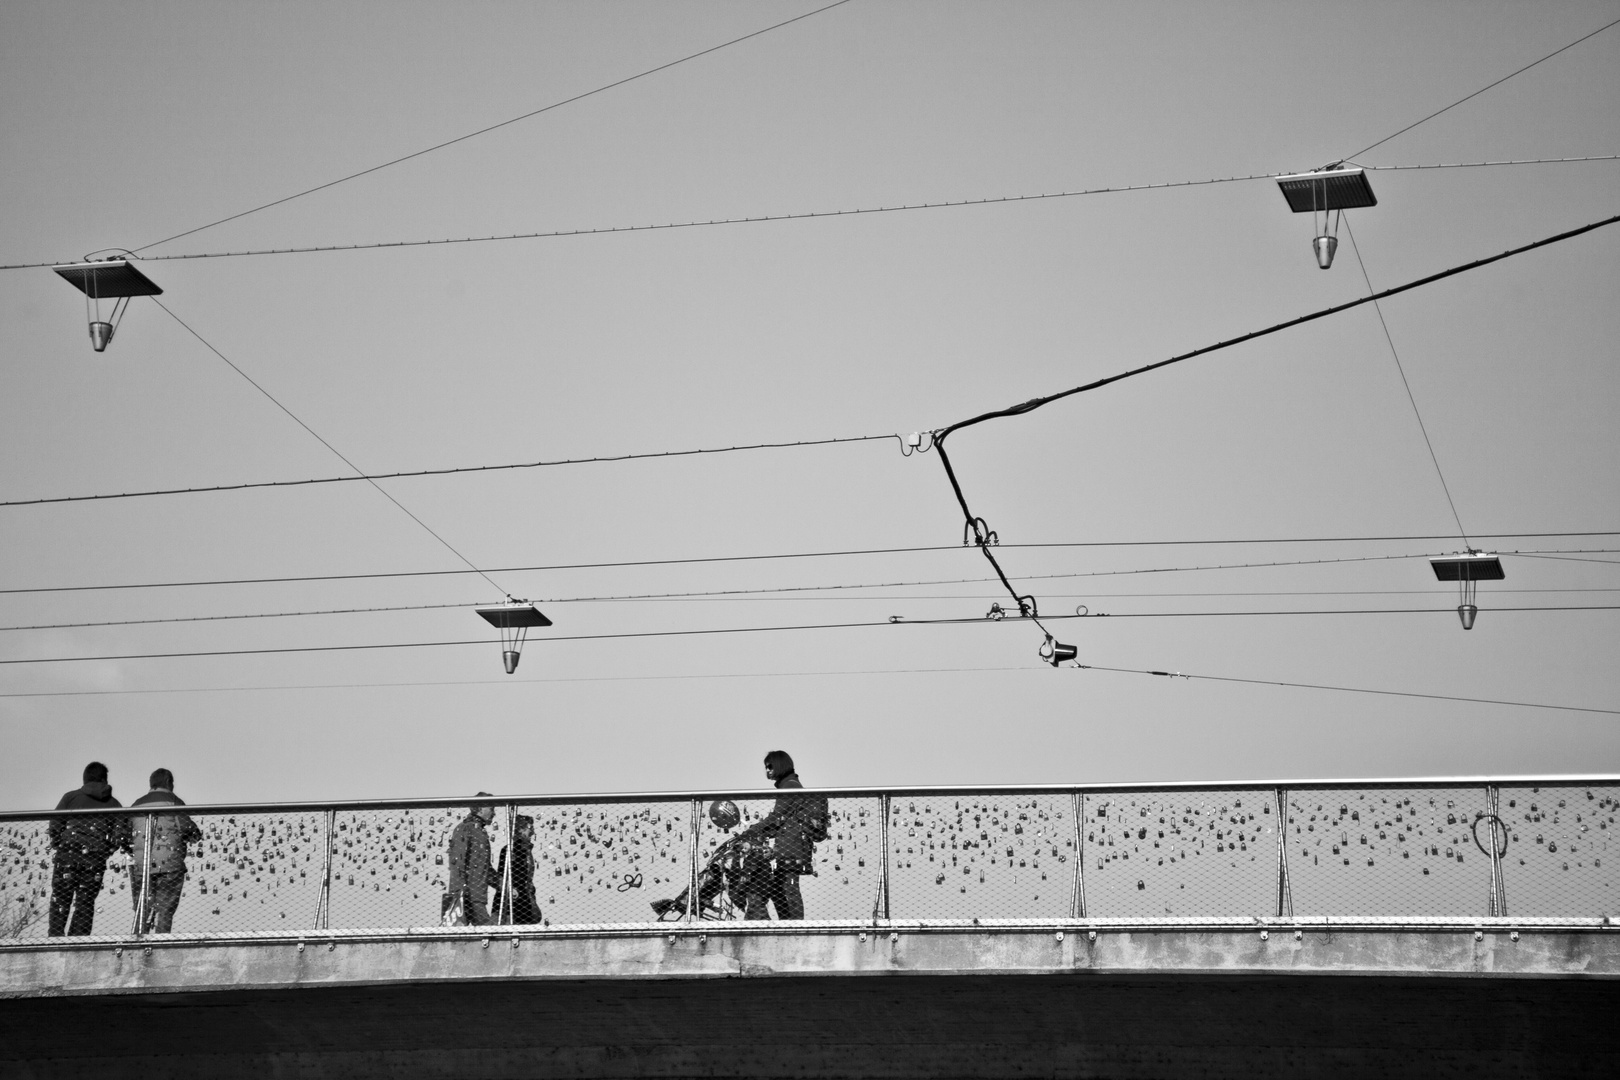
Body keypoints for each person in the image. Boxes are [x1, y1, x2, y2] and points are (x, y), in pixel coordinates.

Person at [735, 751, 828, 920]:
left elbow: (775, 818)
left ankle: (796, 925)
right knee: (778, 886)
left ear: (780, 765)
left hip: (792, 845)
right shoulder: (788, 785)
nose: (767, 770)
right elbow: (779, 821)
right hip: (790, 843)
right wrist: (757, 831)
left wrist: (751, 831)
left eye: (770, 766)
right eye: (766, 767)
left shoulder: (790, 786)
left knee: (789, 887)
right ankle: (787, 922)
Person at [46, 761, 131, 936]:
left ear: (85, 778)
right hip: (94, 858)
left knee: (61, 898)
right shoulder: (114, 804)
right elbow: (119, 835)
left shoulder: (70, 797)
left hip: (68, 853)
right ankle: (79, 941)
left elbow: (55, 824)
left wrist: (58, 843)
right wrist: (104, 851)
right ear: (104, 779)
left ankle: (54, 939)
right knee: (85, 902)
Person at [128, 768, 203, 934]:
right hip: (170, 865)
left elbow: (126, 834)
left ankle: (138, 939)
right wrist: (195, 835)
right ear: (169, 783)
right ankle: (161, 942)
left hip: (141, 866)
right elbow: (187, 828)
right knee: (165, 909)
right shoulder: (173, 801)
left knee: (142, 908)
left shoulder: (136, 804)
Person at [446, 794, 497, 926]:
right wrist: (459, 894)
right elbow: (457, 863)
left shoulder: (479, 832)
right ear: (480, 808)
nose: (494, 813)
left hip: (475, 896)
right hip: (467, 896)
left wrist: (504, 886)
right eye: (491, 808)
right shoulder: (465, 829)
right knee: (489, 932)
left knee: (460, 935)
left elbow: (485, 869)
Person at [493, 815, 542, 925]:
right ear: (520, 829)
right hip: (510, 906)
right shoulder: (511, 850)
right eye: (530, 828)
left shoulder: (525, 851)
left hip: (522, 905)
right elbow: (502, 876)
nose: (533, 832)